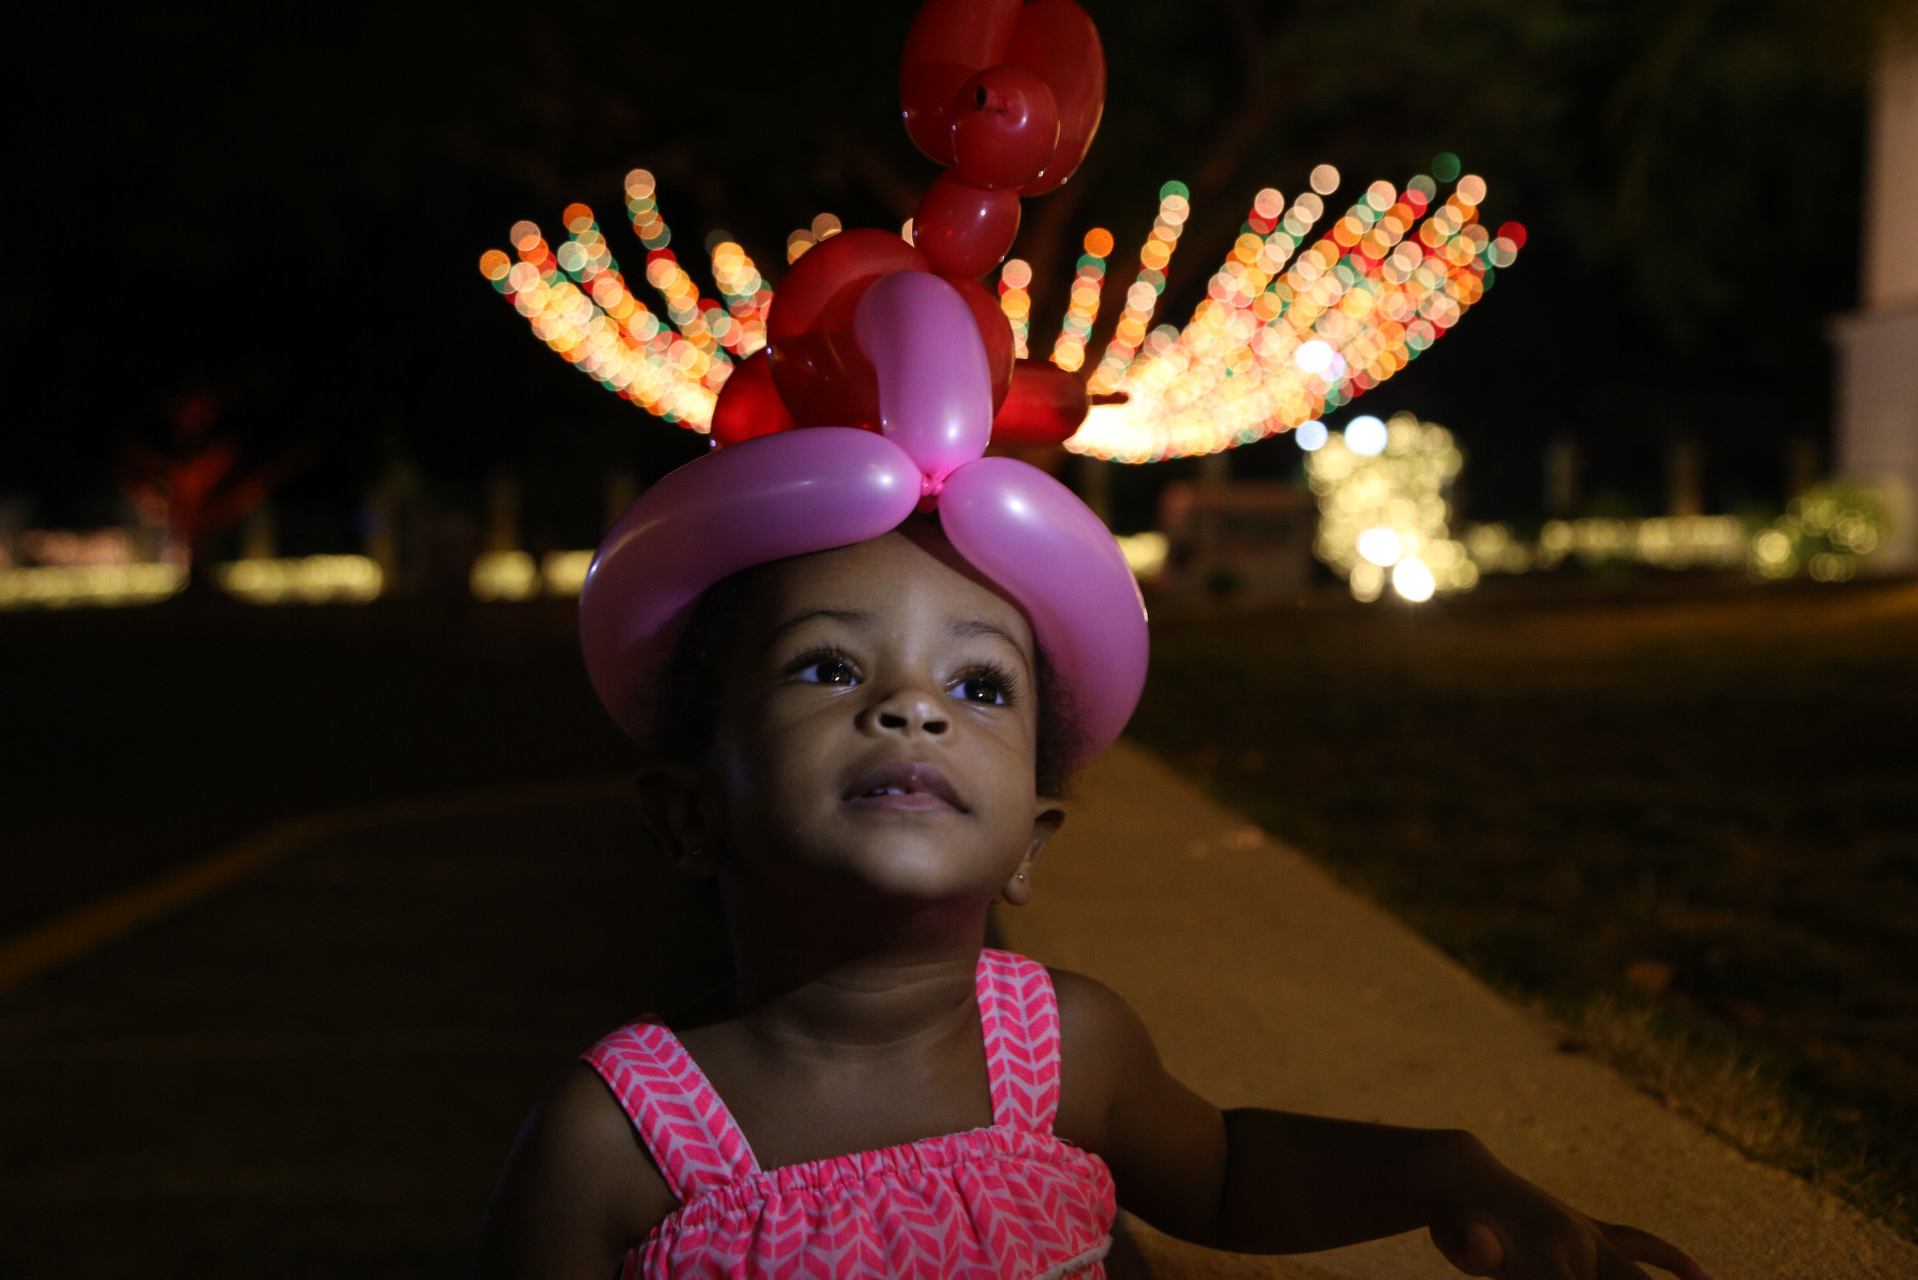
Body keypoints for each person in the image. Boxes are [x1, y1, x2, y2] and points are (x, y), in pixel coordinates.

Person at [473, 276, 1708, 1280]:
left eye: (980, 685)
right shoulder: (616, 1138)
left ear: (1032, 839)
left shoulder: (1065, 1049)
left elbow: (1225, 1172)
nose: (912, 704)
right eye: (831, 665)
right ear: (689, 813)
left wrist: (1440, 1168)